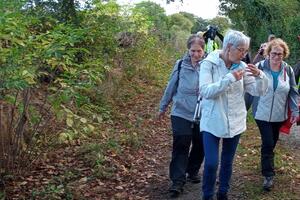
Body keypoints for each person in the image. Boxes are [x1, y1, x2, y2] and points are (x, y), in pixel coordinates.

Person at [199, 30, 268, 200]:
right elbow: (205, 91)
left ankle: (223, 193)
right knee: (211, 163)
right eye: (242, 50)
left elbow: (257, 91)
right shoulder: (209, 64)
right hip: (212, 121)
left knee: (227, 161)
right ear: (229, 46)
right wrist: (229, 79)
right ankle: (207, 195)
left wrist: (261, 76)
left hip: (235, 121)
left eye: (246, 51)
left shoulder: (243, 67)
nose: (244, 54)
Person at [158, 34, 206, 198]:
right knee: (181, 144)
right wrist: (163, 107)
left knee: (200, 144)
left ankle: (192, 171)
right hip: (180, 112)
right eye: (193, 51)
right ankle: (177, 181)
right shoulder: (180, 65)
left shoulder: (209, 66)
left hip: (202, 113)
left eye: (199, 51)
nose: (195, 54)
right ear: (188, 50)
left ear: (203, 50)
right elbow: (171, 87)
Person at [251, 38, 299, 191]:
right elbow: (248, 87)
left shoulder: (288, 70)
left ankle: (266, 162)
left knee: (272, 142)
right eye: (274, 53)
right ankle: (268, 175)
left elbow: (293, 91)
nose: (276, 57)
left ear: (284, 55)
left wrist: (296, 111)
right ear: (268, 53)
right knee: (268, 142)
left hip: (279, 115)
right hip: (261, 113)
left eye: (280, 54)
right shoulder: (260, 67)